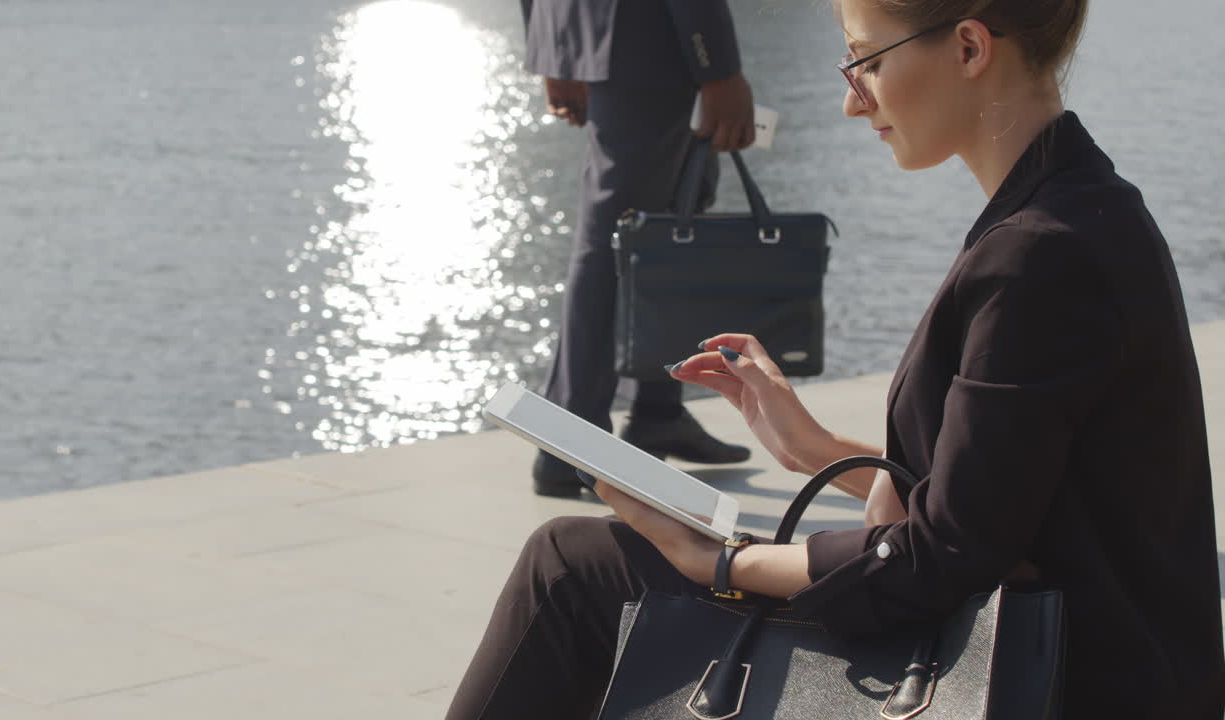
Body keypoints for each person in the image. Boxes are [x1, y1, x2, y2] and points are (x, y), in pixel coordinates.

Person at [448, 0, 1225, 717]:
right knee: (588, 562)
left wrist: (724, 560)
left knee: (571, 567)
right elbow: (998, 497)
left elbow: (935, 559)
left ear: (967, 46)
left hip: (1065, 680)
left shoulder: (1040, 256)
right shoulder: (1077, 207)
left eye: (868, 62)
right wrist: (813, 450)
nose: (854, 100)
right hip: (1089, 650)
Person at [520, 0, 759, 497]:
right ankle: (568, 440)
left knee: (667, 225)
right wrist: (719, 69)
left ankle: (656, 413)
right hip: (643, 32)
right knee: (620, 237)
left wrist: (555, 46)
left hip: (598, 30)